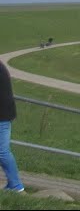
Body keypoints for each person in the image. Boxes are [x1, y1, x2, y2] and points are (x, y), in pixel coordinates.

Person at [0, 61, 25, 193]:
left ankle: (16, 186)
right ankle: (14, 185)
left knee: (2, 152)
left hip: (2, 115)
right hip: (5, 113)